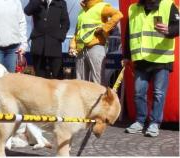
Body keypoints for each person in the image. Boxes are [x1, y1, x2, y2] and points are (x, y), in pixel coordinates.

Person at [123, 0, 179, 137]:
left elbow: (178, 26)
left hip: (162, 58)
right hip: (141, 58)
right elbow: (128, 34)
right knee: (138, 92)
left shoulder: (168, 5)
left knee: (159, 93)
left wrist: (169, 30)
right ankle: (140, 121)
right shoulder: (133, 8)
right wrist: (126, 56)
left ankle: (154, 123)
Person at [69, 0, 123, 85]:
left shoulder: (101, 6)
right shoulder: (81, 11)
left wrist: (105, 28)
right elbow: (77, 31)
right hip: (81, 50)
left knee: (98, 81)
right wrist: (72, 46)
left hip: (96, 47)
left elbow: (118, 14)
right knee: (80, 82)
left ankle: (100, 98)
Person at [24, 0, 70, 79]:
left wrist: (60, 37)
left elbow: (65, 23)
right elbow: (27, 11)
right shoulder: (35, 1)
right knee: (40, 78)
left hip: (55, 46)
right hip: (38, 45)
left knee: (58, 77)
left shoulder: (61, 2)